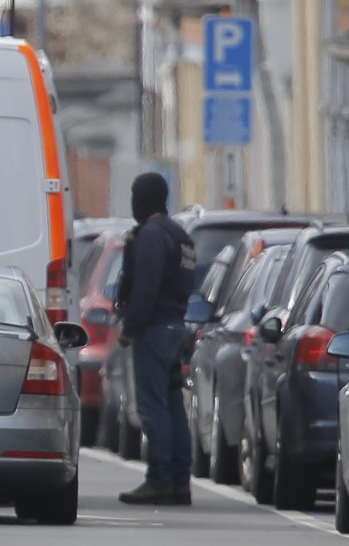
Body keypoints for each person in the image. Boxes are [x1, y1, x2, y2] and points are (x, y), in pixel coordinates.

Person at [116, 172, 196, 506]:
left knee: (153, 408)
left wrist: (130, 328)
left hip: (154, 328)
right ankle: (179, 481)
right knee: (174, 406)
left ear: (143, 197)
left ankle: (159, 479)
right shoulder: (181, 236)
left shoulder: (150, 235)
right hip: (176, 326)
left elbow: (145, 286)